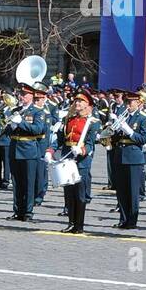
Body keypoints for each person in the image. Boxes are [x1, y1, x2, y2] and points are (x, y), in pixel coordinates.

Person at [52, 91, 100, 234]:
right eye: (76, 101)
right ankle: (71, 222)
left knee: (80, 193)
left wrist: (82, 150)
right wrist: (50, 151)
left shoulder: (92, 122)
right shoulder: (69, 119)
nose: (77, 104)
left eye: (80, 101)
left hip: (81, 161)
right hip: (68, 158)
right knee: (69, 193)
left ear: (87, 105)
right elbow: (60, 139)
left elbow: (91, 143)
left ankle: (79, 225)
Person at [111, 90, 146, 229]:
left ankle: (132, 220)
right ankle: (123, 219)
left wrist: (129, 131)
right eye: (127, 102)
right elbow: (116, 138)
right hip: (120, 156)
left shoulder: (143, 118)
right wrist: (112, 131)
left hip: (134, 157)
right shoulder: (123, 116)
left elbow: (143, 139)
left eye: (131, 102)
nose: (128, 105)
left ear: (139, 103)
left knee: (132, 191)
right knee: (121, 191)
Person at [4, 83, 48, 222]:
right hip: (14, 148)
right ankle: (18, 211)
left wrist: (20, 123)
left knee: (29, 182)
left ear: (31, 96)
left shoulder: (38, 112)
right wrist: (9, 126)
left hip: (29, 149)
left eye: (24, 95)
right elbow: (8, 131)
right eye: (20, 94)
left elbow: (38, 129)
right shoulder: (15, 110)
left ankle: (28, 212)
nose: (21, 97)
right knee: (16, 183)